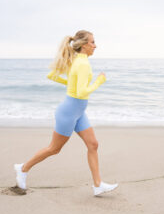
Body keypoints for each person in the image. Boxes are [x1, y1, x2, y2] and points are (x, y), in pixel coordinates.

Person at [14, 30, 118, 196]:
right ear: (84, 45)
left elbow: (51, 76)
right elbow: (82, 92)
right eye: (92, 42)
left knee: (93, 144)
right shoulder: (82, 63)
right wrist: (99, 81)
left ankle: (98, 185)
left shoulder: (76, 60)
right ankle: (23, 168)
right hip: (69, 112)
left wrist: (70, 83)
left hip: (78, 112)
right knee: (54, 149)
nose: (95, 46)